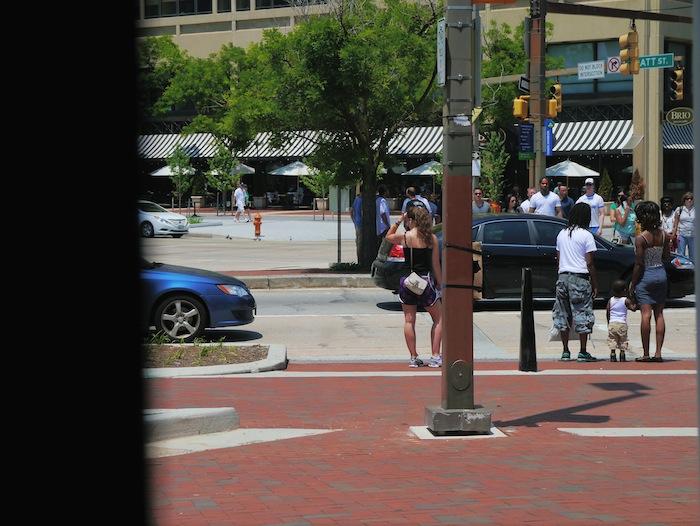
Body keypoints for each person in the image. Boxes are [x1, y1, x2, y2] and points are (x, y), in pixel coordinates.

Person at [385, 206, 442, 368]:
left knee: (409, 320)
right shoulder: (431, 239)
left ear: (411, 220)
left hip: (408, 281)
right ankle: (435, 356)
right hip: (425, 281)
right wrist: (440, 283)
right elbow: (435, 265)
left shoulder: (405, 237)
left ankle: (413, 357)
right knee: (439, 319)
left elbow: (388, 237)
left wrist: (398, 220)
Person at [552, 202, 599, 362]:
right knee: (582, 313)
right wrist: (594, 283)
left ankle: (565, 351)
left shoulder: (561, 234)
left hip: (563, 277)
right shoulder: (586, 235)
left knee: (563, 314)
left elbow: (558, 260)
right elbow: (590, 262)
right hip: (580, 277)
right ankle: (583, 351)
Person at [630, 201, 670, 362]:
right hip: (661, 273)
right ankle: (658, 353)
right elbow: (667, 257)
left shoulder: (641, 238)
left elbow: (639, 264)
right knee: (659, 314)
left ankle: (646, 353)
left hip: (646, 275)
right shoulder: (664, 235)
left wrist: (633, 283)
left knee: (645, 314)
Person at [606, 279, 637, 362]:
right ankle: (622, 354)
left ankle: (612, 354)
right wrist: (633, 298)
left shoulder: (611, 300)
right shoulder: (625, 300)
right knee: (623, 339)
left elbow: (608, 311)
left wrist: (608, 322)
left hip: (612, 323)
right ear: (624, 290)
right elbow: (633, 308)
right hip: (622, 323)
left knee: (612, 339)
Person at [673, 191, 695, 262]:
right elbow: (675, 224)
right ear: (684, 200)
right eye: (687, 198)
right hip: (682, 234)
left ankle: (692, 271)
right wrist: (674, 234)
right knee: (681, 254)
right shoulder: (679, 209)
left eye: (691, 198)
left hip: (693, 235)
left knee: (693, 254)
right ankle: (681, 271)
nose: (689, 200)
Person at [375, 185, 391, 254]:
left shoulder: (378, 199)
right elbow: (383, 213)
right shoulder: (382, 200)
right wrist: (387, 225)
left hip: (380, 227)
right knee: (385, 245)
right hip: (383, 227)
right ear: (385, 192)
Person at [350, 192, 363, 263]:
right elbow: (362, 212)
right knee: (361, 243)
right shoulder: (363, 200)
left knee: (358, 243)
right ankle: (361, 261)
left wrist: (354, 221)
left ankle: (359, 259)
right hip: (362, 225)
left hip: (357, 224)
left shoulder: (356, 199)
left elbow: (351, 211)